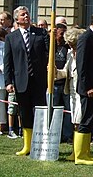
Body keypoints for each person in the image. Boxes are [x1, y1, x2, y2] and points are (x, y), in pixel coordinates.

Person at [4, 6, 49, 155]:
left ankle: (41, 144)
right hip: (21, 81)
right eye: (23, 15)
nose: (26, 17)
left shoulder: (40, 33)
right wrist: (8, 82)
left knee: (40, 112)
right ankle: (27, 145)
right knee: (25, 113)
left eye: (27, 14)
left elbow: (48, 52)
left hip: (39, 81)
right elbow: (8, 62)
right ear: (17, 19)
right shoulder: (11, 37)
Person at [55, 27, 86, 160]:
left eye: (74, 44)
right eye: (70, 44)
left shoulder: (86, 54)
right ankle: (76, 151)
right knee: (75, 121)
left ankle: (80, 153)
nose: (72, 47)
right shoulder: (69, 54)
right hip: (72, 92)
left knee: (79, 122)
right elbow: (65, 73)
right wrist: (55, 72)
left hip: (83, 91)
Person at [74, 16, 93, 165]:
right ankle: (80, 156)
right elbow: (81, 66)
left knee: (90, 118)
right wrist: (87, 87)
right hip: (88, 88)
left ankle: (86, 152)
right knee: (86, 119)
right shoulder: (85, 38)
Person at [53, 16, 73, 143]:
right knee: (54, 109)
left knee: (67, 110)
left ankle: (66, 135)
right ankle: (55, 133)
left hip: (65, 83)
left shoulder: (67, 48)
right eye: (61, 34)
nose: (63, 37)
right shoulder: (51, 47)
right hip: (53, 84)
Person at [0, 26, 8, 134]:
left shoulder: (3, 46)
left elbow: (5, 62)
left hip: (0, 78)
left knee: (0, 104)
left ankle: (1, 125)